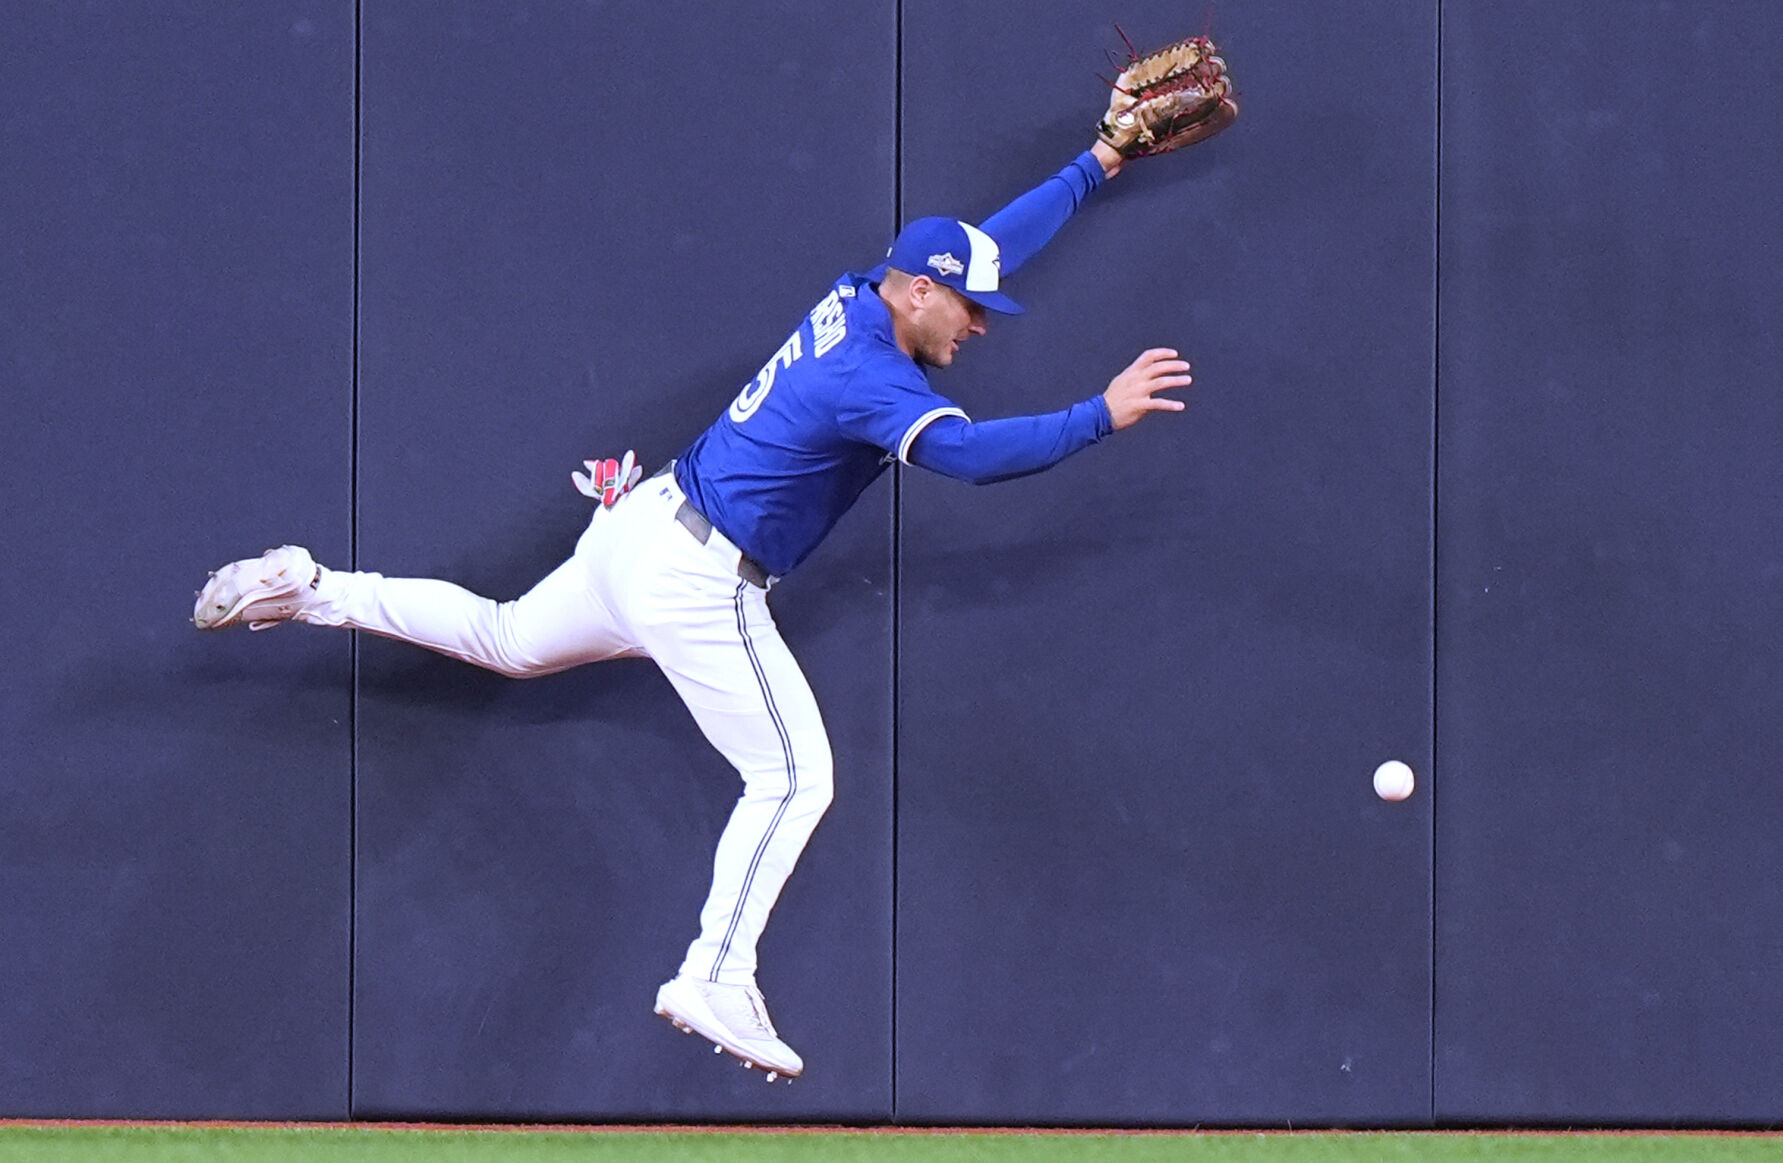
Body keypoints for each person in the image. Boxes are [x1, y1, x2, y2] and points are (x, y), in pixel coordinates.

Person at [194, 136, 1196, 1083]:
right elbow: (967, 457)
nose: (980, 324)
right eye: (970, 308)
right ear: (920, 292)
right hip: (696, 575)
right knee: (796, 774)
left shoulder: (862, 296)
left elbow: (986, 242)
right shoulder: (869, 376)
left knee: (506, 637)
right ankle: (715, 972)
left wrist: (1097, 161)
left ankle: (311, 587)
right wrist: (1096, 416)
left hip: (641, 531)